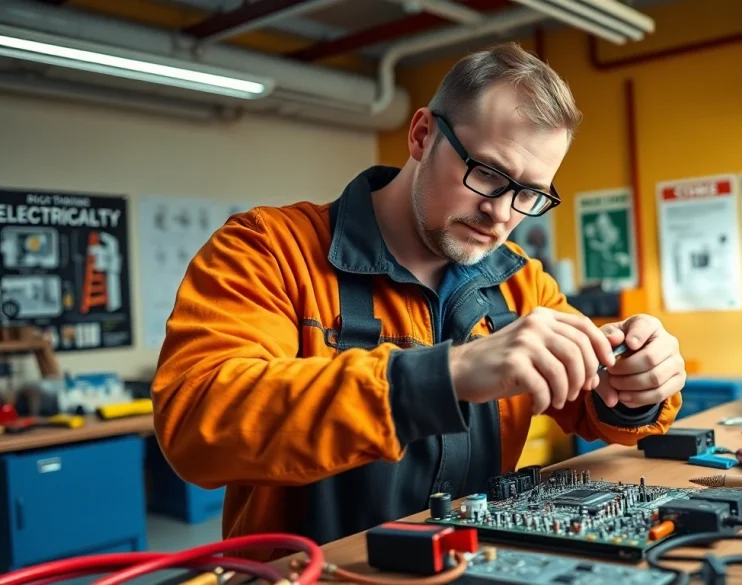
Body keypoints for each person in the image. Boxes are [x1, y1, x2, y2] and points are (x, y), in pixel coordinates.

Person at [151, 42, 685, 560]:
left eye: (529, 194)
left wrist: (636, 383)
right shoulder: (269, 249)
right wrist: (442, 376)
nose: (502, 214)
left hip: (467, 567)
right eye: (490, 175)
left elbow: (598, 408)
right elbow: (197, 422)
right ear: (422, 134)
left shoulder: (522, 284)